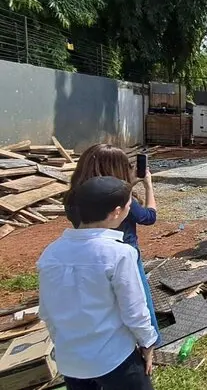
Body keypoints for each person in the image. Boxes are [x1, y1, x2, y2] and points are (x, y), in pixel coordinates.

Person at [38, 176, 159, 390]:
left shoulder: (51, 253)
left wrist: (65, 345)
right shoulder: (119, 253)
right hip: (115, 358)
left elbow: (47, 311)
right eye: (129, 206)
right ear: (116, 212)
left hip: (71, 361)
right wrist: (147, 342)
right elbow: (134, 311)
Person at [64, 144, 159, 343]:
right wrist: (148, 185)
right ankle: (151, 341)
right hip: (124, 253)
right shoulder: (120, 201)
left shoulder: (74, 196)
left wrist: (128, 186)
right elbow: (148, 217)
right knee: (138, 298)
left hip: (88, 253)